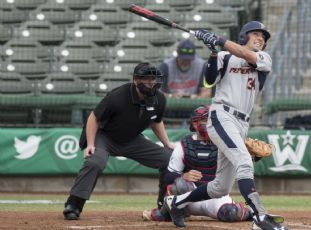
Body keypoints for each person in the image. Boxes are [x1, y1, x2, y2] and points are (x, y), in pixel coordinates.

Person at [163, 21, 289, 230]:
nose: (260, 38)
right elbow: (209, 81)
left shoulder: (264, 59)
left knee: (220, 187)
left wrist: (219, 40)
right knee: (244, 162)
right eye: (255, 34)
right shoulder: (225, 56)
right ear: (243, 37)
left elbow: (246, 56)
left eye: (263, 37)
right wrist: (214, 52)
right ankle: (260, 216)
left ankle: (175, 202)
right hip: (222, 115)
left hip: (242, 122)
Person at [63, 63, 174, 220]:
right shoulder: (118, 96)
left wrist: (167, 143)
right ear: (136, 80)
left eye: (153, 79)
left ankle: (164, 208)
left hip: (132, 139)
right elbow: (94, 118)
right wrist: (90, 144)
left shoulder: (159, 99)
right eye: (146, 79)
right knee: (95, 162)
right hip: (105, 137)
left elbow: (156, 121)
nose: (151, 82)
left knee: (170, 160)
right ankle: (74, 205)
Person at [143, 105, 254, 223]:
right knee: (180, 185)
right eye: (207, 120)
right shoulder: (184, 144)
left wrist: (252, 157)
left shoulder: (227, 142)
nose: (212, 124)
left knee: (230, 213)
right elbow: (168, 177)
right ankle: (165, 214)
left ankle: (250, 212)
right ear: (195, 123)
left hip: (216, 197)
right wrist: (183, 176)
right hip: (189, 197)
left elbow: (241, 166)